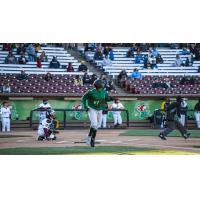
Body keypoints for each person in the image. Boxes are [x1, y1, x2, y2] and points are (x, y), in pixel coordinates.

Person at [82, 79, 114, 147]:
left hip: (100, 109)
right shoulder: (91, 92)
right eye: (102, 83)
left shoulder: (104, 91)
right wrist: (85, 106)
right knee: (94, 125)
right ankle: (92, 140)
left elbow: (107, 98)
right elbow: (84, 98)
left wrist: (111, 98)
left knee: (97, 125)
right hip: (92, 108)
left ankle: (89, 137)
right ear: (99, 85)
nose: (103, 84)